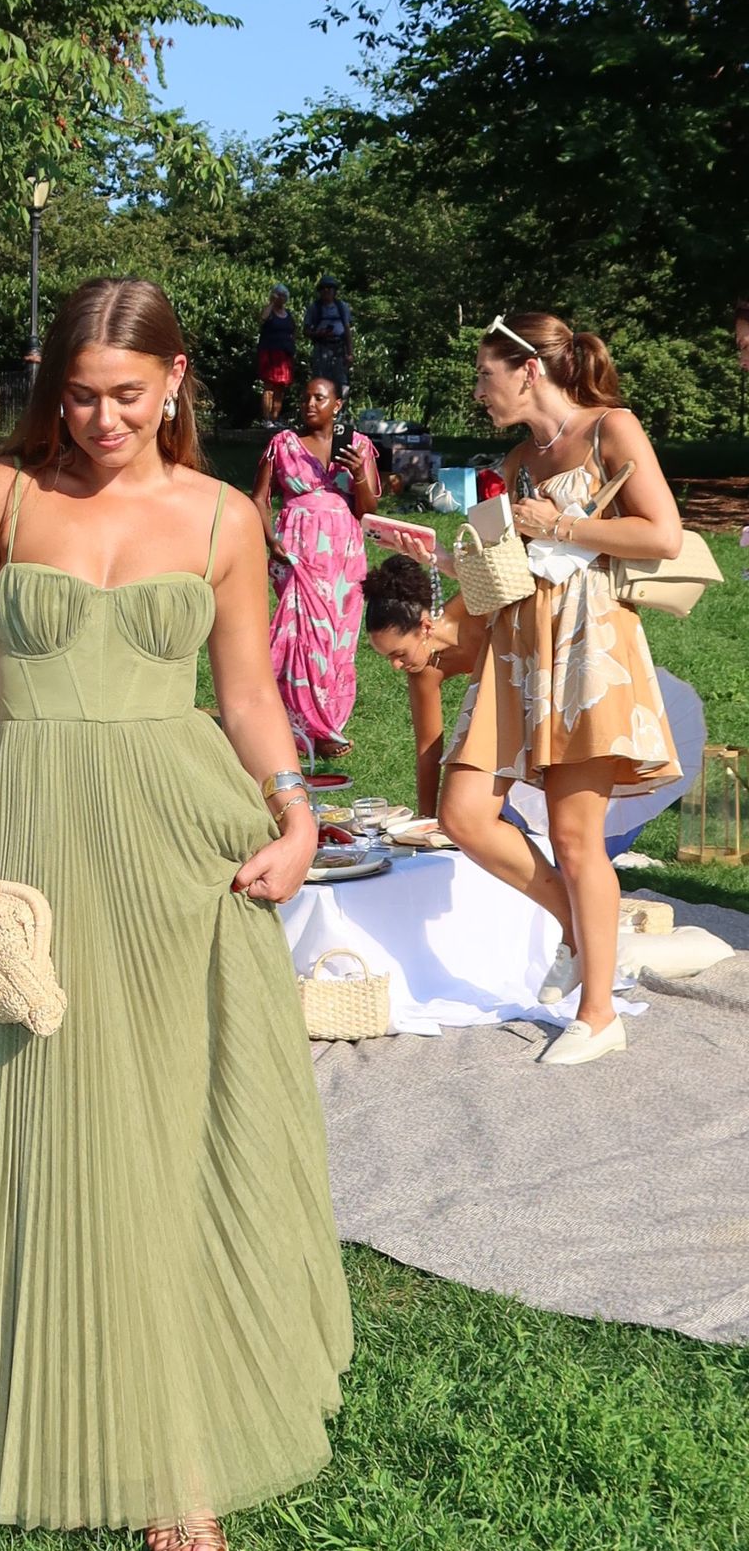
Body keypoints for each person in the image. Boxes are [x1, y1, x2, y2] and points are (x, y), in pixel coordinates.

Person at [0, 276, 352, 1551]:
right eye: (78, 393)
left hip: (184, 845)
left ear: (176, 382)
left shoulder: (222, 513)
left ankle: (178, 1463)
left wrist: (296, 812)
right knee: (51, 1115)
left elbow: (250, 692)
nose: (99, 417)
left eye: (125, 393)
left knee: (174, 1125)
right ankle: (42, 1401)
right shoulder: (2, 491)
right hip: (36, 832)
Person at [436, 312, 683, 1067]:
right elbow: (517, 560)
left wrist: (563, 526)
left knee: (578, 841)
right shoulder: (517, 459)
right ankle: (578, 931)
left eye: (486, 375)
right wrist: (465, 562)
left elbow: (663, 535)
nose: (479, 391)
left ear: (529, 371)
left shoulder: (612, 429)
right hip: (518, 643)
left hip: (586, 645)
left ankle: (599, 1012)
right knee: (462, 813)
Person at [252, 376, 381, 758]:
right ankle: (285, 723)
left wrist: (359, 473)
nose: (310, 404)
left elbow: (368, 509)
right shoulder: (283, 444)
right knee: (300, 640)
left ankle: (327, 726)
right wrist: (270, 541)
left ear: (337, 405)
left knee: (338, 642)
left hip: (343, 556)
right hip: (297, 553)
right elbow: (259, 498)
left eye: (319, 398)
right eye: (306, 398)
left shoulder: (358, 447)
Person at [362, 557, 484, 815]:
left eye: (399, 654)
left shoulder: (477, 606)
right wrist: (425, 820)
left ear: (425, 627)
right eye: (388, 657)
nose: (395, 666)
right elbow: (428, 749)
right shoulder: (423, 671)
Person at [302, 276, 352, 389]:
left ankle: (341, 406)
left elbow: (347, 329)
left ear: (334, 291)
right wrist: (318, 334)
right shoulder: (314, 307)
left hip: (339, 348)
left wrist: (350, 354)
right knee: (320, 381)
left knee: (341, 382)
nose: (326, 290)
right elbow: (306, 331)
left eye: (330, 288)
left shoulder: (342, 307)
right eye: (323, 288)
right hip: (321, 348)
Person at [256, 284, 296, 424]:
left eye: (284, 295)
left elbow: (293, 332)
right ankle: (267, 420)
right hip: (269, 353)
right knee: (269, 386)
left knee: (280, 388)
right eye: (278, 295)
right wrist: (271, 303)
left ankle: (275, 418)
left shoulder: (288, 314)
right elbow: (262, 319)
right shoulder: (269, 312)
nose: (281, 298)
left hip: (284, 355)